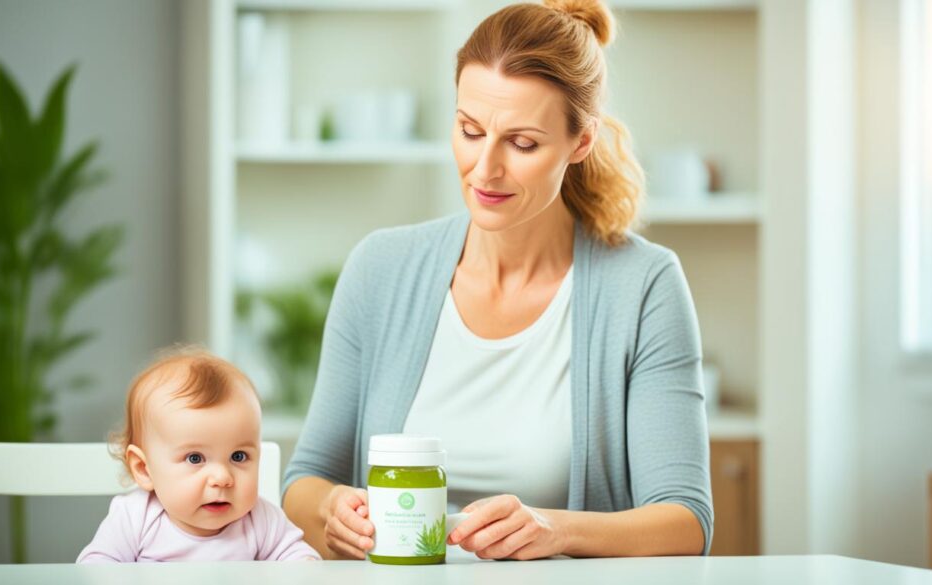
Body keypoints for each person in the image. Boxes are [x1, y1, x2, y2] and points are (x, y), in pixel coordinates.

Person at [282, 0, 712, 561]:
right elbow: (305, 480)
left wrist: (555, 530)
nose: (484, 168)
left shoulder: (642, 285)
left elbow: (686, 521)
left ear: (580, 143)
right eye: (469, 130)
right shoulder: (380, 268)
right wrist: (330, 511)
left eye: (523, 143)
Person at [78, 347, 320, 562]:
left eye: (238, 456)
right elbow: (96, 566)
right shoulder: (134, 518)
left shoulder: (261, 519)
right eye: (195, 458)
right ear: (143, 468)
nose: (222, 477)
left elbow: (298, 556)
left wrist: (305, 564)